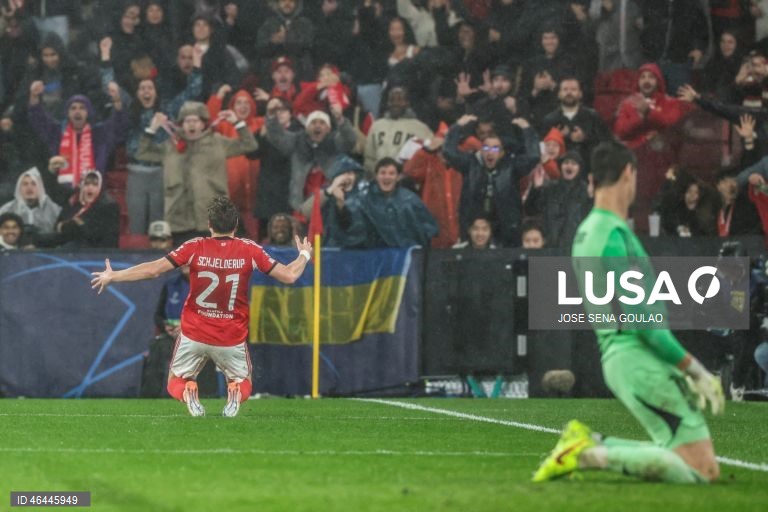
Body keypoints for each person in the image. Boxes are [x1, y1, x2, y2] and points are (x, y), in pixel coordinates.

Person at [533, 140, 724, 484]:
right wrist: (693, 369)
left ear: (592, 180)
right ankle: (586, 454)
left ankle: (588, 445)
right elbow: (644, 323)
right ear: (628, 174)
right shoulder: (611, 234)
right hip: (638, 360)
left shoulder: (589, 231)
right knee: (700, 471)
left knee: (689, 459)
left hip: (622, 357)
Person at [91, 196, 313, 417]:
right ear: (236, 224)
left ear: (209, 225)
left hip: (194, 334)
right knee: (244, 383)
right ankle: (233, 391)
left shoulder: (195, 246)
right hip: (231, 335)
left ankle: (188, 392)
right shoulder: (249, 250)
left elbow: (153, 270)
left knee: (174, 382)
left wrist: (114, 275)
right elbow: (289, 276)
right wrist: (303, 255)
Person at [0, 166, 62, 242]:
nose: (29, 188)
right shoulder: (6, 210)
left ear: (40, 187)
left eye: (34, 184)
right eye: (25, 184)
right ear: (19, 188)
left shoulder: (54, 210)